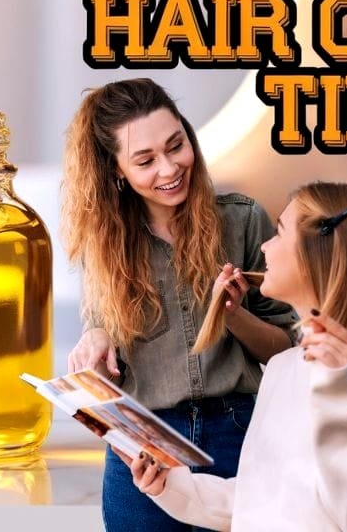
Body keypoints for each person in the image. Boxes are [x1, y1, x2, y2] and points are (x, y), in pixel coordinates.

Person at [121, 182, 347, 532]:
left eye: (279, 233)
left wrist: (336, 391)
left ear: (320, 254)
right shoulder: (285, 366)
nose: (265, 247)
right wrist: (169, 483)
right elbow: (261, 502)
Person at [61, 78, 297, 531]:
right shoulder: (103, 245)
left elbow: (284, 349)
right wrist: (94, 339)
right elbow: (100, 329)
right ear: (117, 172)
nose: (169, 168)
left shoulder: (243, 220)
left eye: (176, 146)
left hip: (239, 434)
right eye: (145, 161)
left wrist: (232, 315)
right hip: (143, 447)